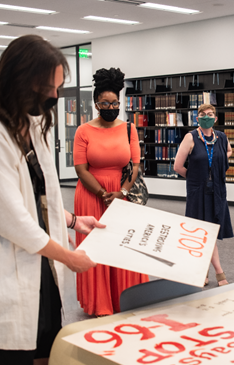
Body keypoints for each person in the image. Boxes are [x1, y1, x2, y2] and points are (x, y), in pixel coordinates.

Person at [0, 35, 102, 365]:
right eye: (48, 87)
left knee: (46, 353)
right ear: (21, 79)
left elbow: (38, 196)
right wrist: (68, 256)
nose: (53, 96)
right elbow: (10, 218)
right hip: (10, 268)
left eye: (58, 88)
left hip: (41, 266)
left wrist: (74, 221)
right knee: (17, 356)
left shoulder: (30, 122)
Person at [73, 67, 148, 316]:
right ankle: (100, 303)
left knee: (124, 245)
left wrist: (122, 193)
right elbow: (81, 169)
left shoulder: (129, 128)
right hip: (91, 194)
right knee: (97, 247)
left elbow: (135, 165)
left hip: (121, 194)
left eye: (115, 102)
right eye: (105, 103)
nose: (110, 106)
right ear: (96, 104)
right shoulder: (83, 131)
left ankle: (125, 298)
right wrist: (103, 194)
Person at [174, 104, 233, 286]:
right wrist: (195, 178)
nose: (206, 117)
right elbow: (178, 166)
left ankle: (202, 272)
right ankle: (219, 272)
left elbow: (228, 151)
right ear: (197, 118)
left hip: (217, 191)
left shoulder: (221, 137)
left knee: (210, 233)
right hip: (198, 192)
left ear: (215, 119)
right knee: (204, 234)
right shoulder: (190, 137)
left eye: (210, 114)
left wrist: (218, 165)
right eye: (202, 114)